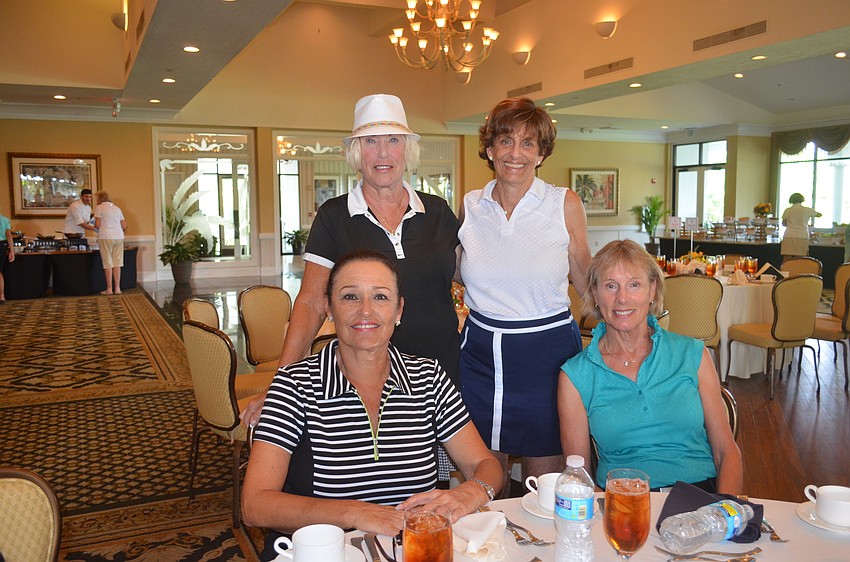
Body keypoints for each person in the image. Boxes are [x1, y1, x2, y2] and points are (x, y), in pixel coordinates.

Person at [241, 95, 461, 472]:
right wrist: (279, 386)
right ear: (357, 153)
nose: (383, 152)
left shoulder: (437, 211)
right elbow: (310, 303)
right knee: (370, 476)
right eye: (371, 142)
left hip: (437, 376)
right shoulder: (334, 216)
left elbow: (468, 277)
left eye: (393, 140)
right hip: (363, 376)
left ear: (407, 150)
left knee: (430, 482)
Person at [242, 250, 502, 560]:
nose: (366, 311)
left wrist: (471, 492)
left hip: (412, 550)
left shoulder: (427, 377)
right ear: (328, 307)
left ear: (398, 309)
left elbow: (484, 465)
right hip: (329, 552)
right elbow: (255, 505)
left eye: (380, 297)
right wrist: (355, 513)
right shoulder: (295, 384)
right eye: (350, 297)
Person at [457, 97, 592, 488]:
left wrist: (625, 330)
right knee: (483, 476)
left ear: (541, 153)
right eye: (505, 141)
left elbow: (584, 276)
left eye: (528, 143)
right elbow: (453, 271)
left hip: (546, 354)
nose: (515, 153)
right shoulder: (471, 205)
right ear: (489, 148)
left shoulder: (563, 203)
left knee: (545, 482)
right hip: (481, 353)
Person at [558, 239, 743, 494]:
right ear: (595, 294)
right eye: (611, 286)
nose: (622, 298)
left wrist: (724, 512)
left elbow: (726, 451)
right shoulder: (576, 375)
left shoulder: (692, 354)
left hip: (699, 497)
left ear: (652, 290)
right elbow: (580, 476)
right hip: (623, 504)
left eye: (634, 285)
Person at [93, 191, 127, 295]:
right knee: (117, 263)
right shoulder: (117, 208)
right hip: (119, 236)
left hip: (106, 237)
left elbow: (97, 225)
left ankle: (109, 288)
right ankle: (117, 288)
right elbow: (124, 226)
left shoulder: (99, 208)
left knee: (107, 263)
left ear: (99, 199)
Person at [781, 192, 821, 260]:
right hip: (802, 235)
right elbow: (819, 215)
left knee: (787, 258)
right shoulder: (806, 210)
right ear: (802, 200)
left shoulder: (788, 210)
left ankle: (785, 270)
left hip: (789, 235)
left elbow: (783, 223)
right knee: (801, 258)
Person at [0, 211, 16, 303]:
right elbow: (9, 235)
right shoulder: (5, 219)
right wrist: (12, 251)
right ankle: (2, 296)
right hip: (2, 245)